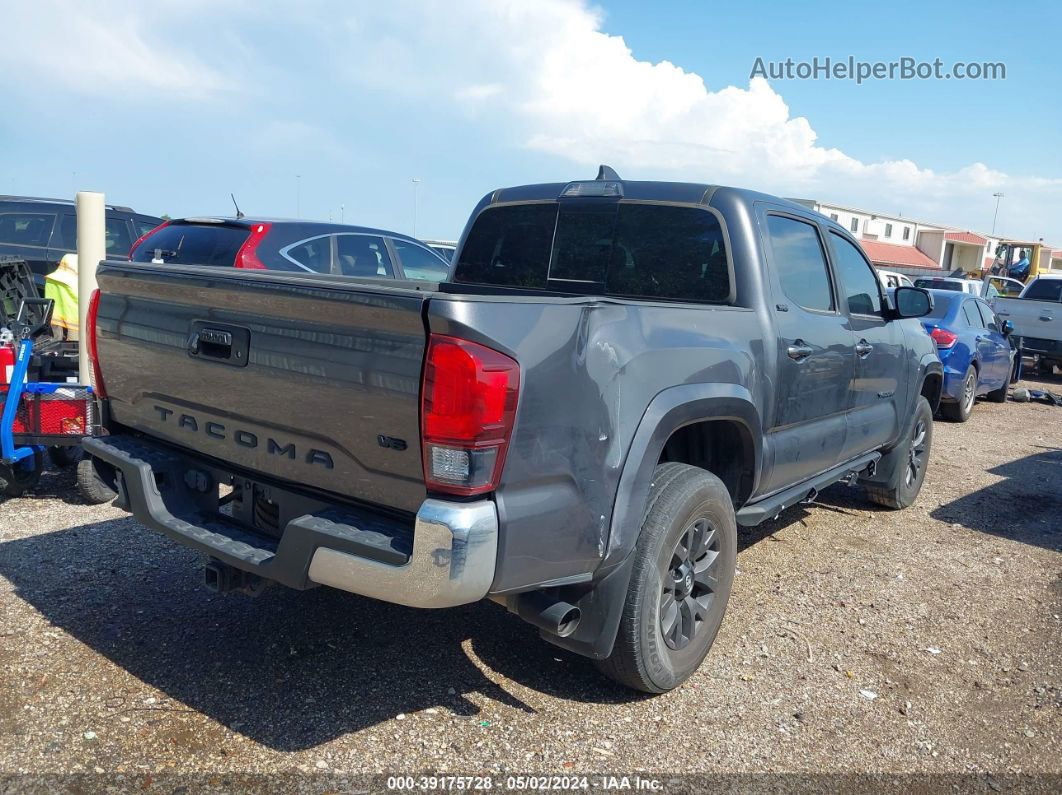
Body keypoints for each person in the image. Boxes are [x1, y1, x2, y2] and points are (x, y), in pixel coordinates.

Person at [44, 253, 80, 340]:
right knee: (74, 344)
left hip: (54, 317)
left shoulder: (50, 279)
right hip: (73, 321)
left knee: (56, 340)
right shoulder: (74, 282)